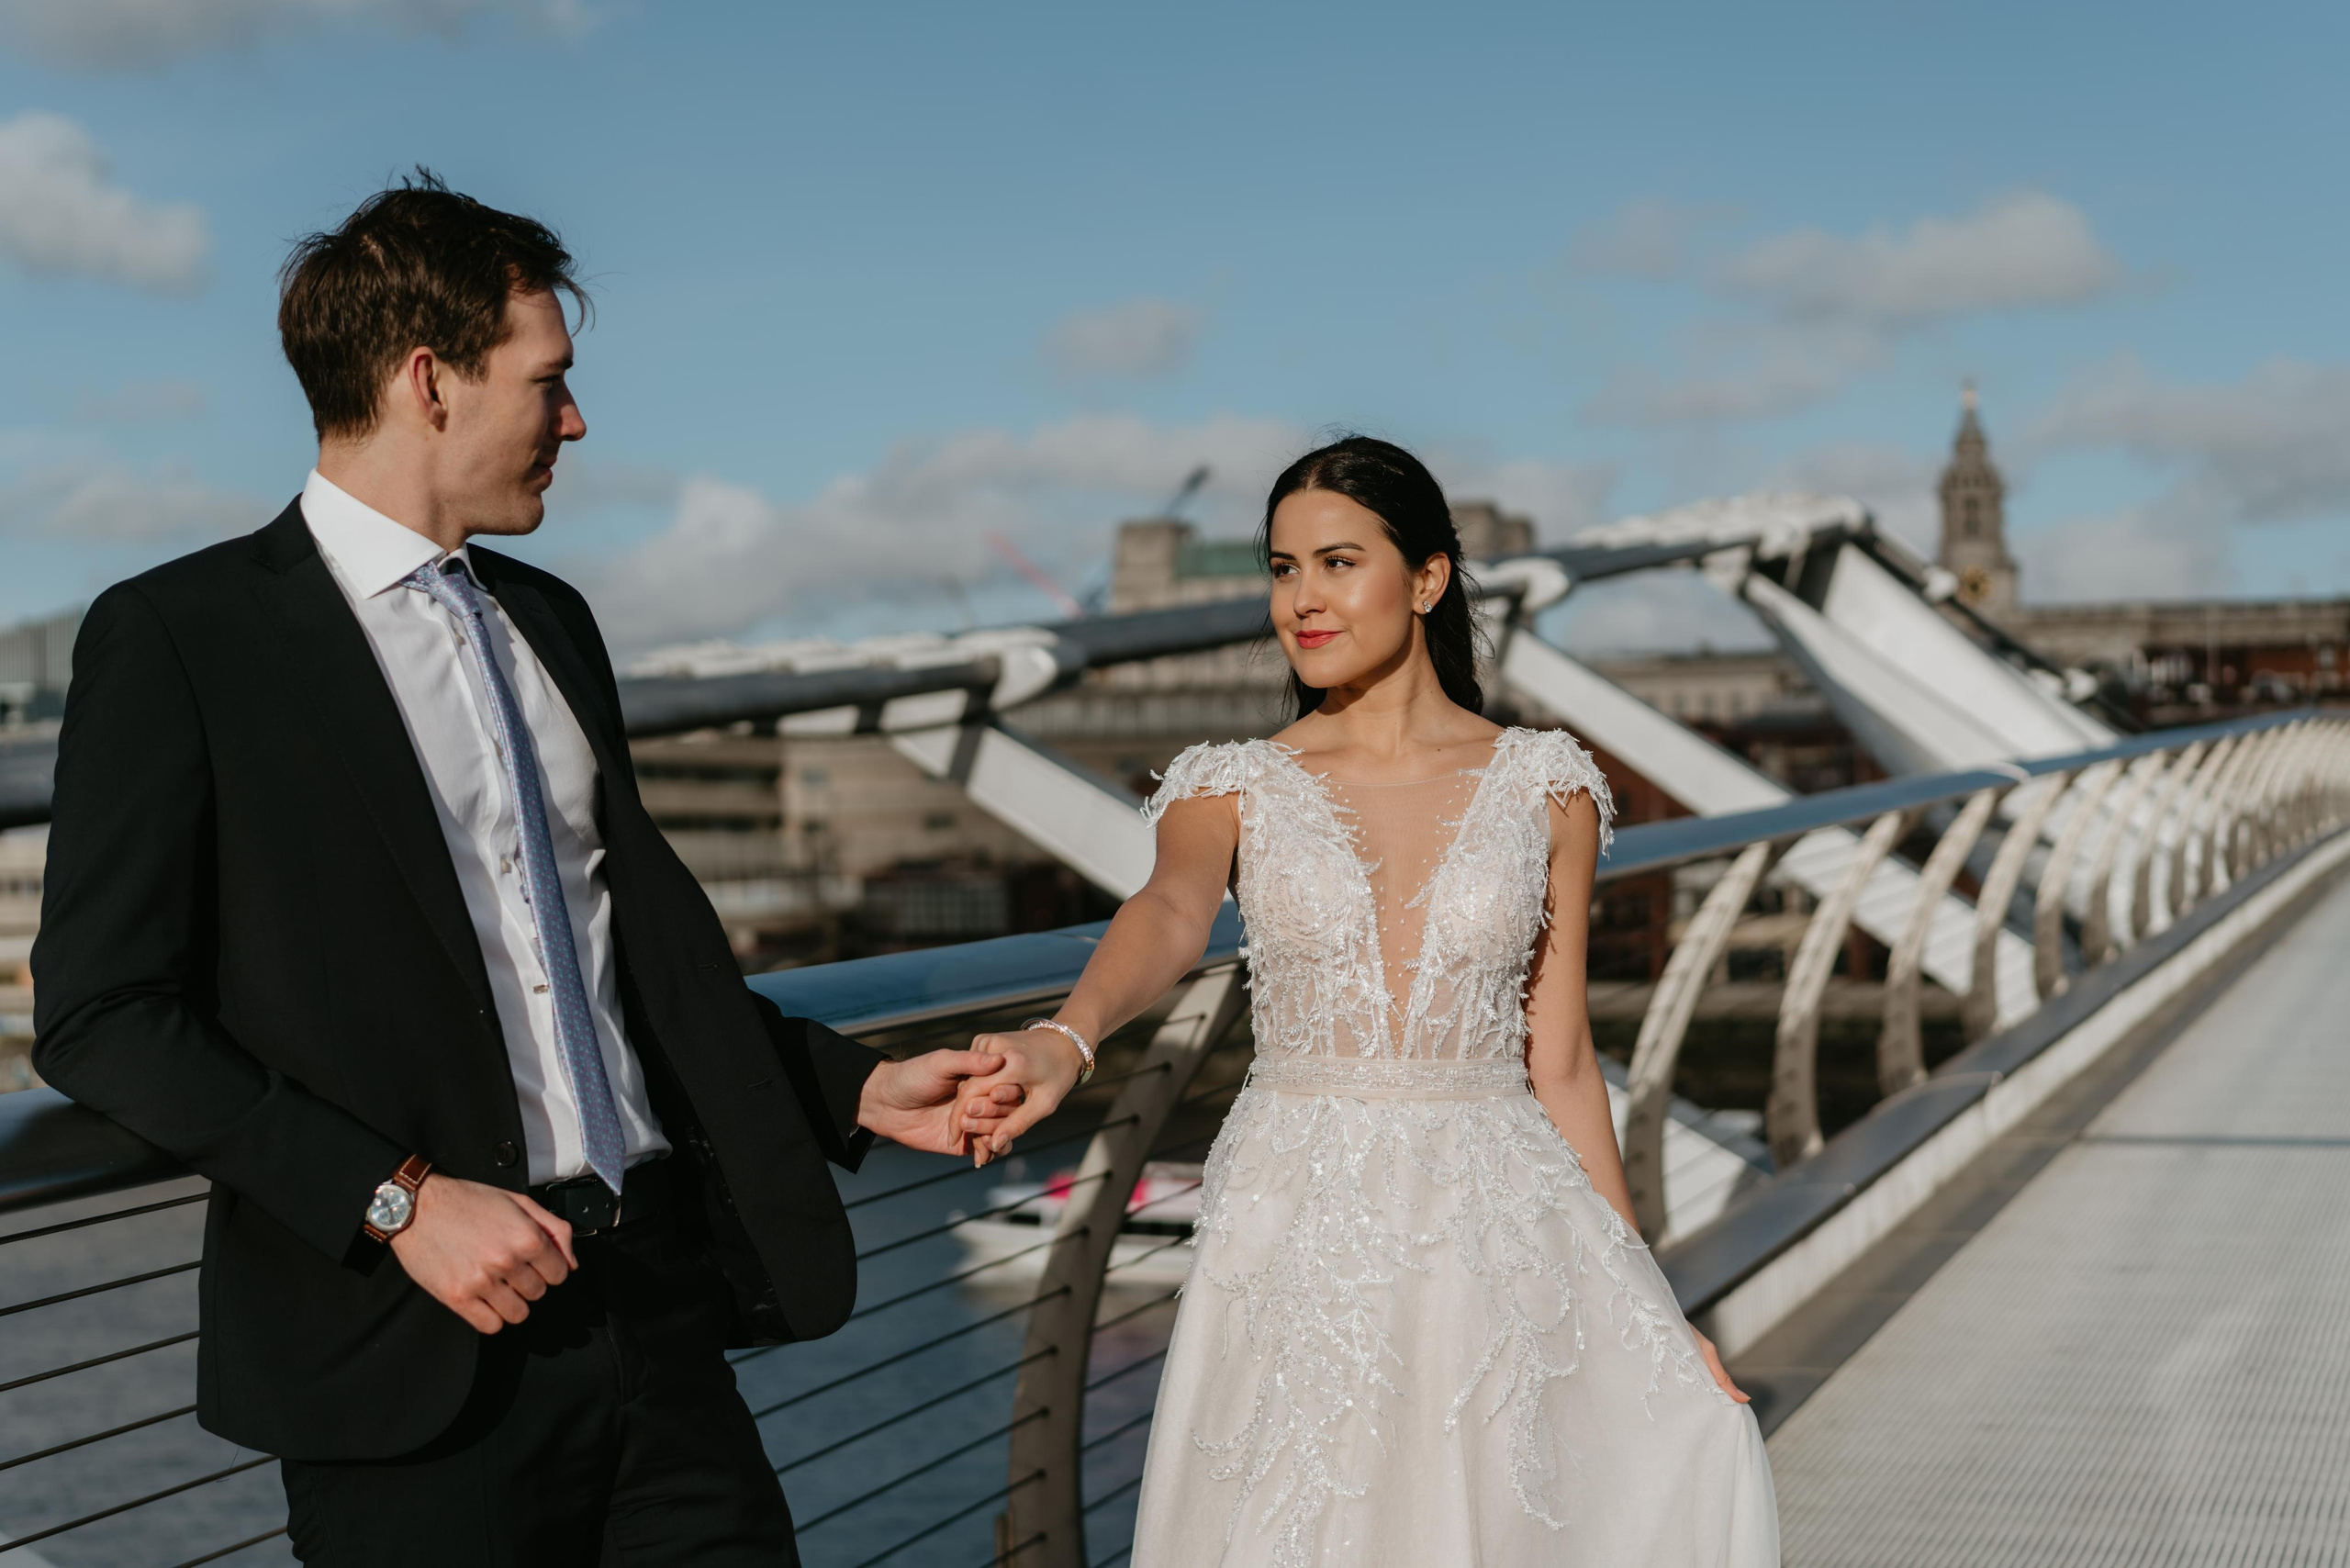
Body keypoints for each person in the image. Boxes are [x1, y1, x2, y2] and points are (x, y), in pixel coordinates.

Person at [30, 172, 1016, 1566]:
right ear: (428, 381)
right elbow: (102, 1013)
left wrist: (847, 1086)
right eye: (548, 382)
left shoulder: (552, 621)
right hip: (414, 1345)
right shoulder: (180, 637)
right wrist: (397, 1201)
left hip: (658, 1313)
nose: (576, 420)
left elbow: (605, 970)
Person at [961, 437, 1780, 1565]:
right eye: (1282, 568)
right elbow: (1168, 908)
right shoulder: (1228, 781)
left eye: (1338, 562)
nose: (1301, 598)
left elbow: (1559, 1061)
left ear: (1427, 578)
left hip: (1495, 1217)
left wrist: (1648, 1303)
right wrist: (1068, 1036)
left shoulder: (1547, 785)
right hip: (1297, 1212)